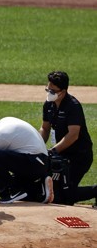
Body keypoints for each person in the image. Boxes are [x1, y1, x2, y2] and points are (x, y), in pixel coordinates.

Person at [38, 71, 94, 206]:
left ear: (62, 92)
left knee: (65, 197)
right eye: (48, 89)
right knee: (55, 194)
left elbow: (73, 135)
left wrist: (53, 150)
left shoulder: (73, 106)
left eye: (52, 90)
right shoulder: (49, 104)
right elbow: (45, 128)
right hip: (62, 155)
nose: (49, 93)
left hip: (79, 156)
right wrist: (37, 145)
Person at [0, 117, 54, 205]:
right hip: (40, 162)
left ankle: (10, 192)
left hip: (35, 163)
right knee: (18, 187)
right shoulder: (3, 122)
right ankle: (39, 190)